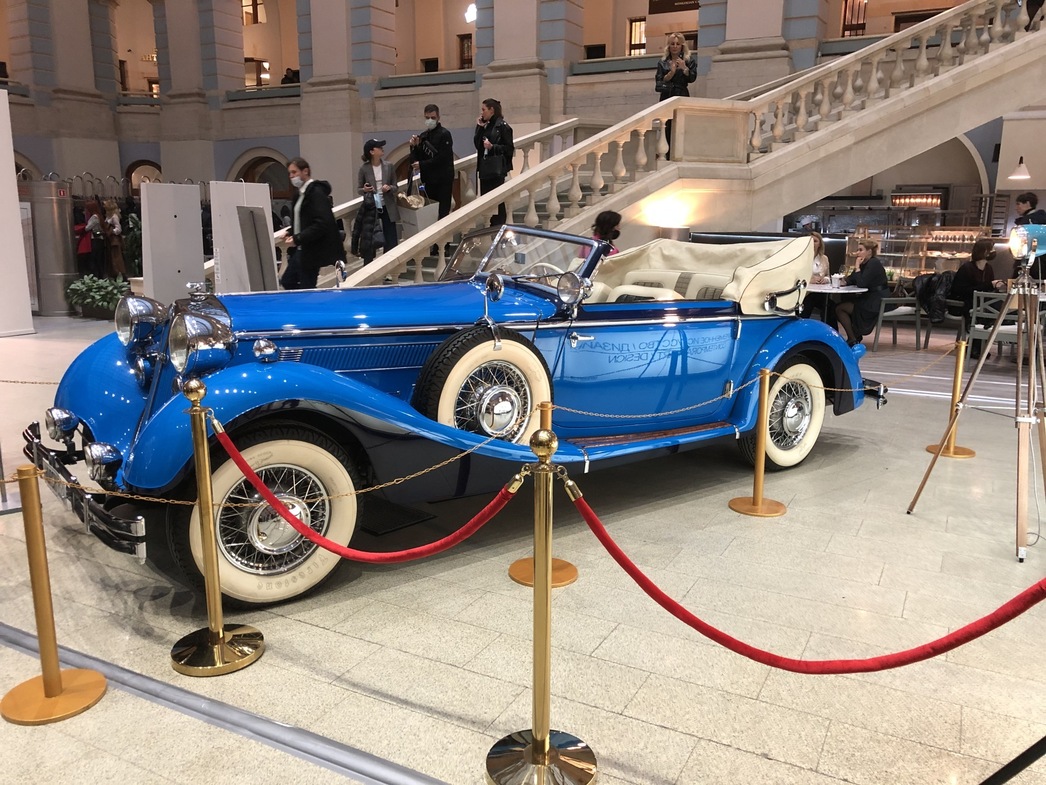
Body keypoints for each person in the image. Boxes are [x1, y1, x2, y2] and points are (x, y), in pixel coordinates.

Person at [280, 157, 343, 289]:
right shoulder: (300, 194)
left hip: (312, 250)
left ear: (305, 171)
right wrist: (291, 232)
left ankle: (309, 307)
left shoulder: (316, 193)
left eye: (294, 172)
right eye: (290, 173)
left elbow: (321, 223)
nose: (291, 176)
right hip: (301, 249)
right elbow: (303, 220)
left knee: (306, 285)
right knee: (288, 281)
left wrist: (297, 238)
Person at [949, 237, 1002, 359]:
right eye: (991, 249)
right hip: (964, 302)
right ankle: (975, 347)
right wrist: (989, 285)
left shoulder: (988, 268)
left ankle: (976, 346)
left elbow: (988, 289)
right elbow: (959, 290)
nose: (993, 251)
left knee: (991, 308)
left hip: (980, 302)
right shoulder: (967, 268)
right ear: (983, 251)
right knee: (982, 312)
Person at [834, 238, 888, 346]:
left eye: (860, 250)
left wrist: (857, 266)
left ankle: (852, 338)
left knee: (840, 308)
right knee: (843, 303)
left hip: (877, 300)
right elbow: (853, 278)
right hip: (868, 297)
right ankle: (854, 336)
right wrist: (844, 281)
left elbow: (861, 283)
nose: (857, 253)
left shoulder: (873, 263)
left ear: (869, 251)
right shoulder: (865, 263)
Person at [355, 139, 400, 265]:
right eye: (378, 147)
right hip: (372, 206)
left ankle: (390, 266)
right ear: (372, 151)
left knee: (390, 237)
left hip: (388, 205)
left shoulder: (389, 166)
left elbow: (396, 186)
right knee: (369, 237)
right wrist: (364, 189)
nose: (382, 149)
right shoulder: (364, 168)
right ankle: (369, 264)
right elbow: (359, 189)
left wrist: (389, 188)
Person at [654, 33, 697, 159]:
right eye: (672, 44)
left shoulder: (689, 61)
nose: (675, 46)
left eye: (678, 44)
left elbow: (692, 78)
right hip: (667, 96)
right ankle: (666, 155)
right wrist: (671, 73)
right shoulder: (662, 63)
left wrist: (684, 69)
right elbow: (658, 84)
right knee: (666, 127)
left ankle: (680, 155)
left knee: (680, 126)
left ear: (682, 46)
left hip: (681, 95)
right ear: (668, 46)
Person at [409, 104, 455, 221]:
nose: (430, 120)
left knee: (443, 214)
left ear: (438, 117)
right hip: (429, 181)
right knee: (431, 215)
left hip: (443, 180)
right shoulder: (424, 136)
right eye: (427, 117)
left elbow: (443, 158)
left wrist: (422, 165)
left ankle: (445, 240)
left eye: (433, 118)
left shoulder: (445, 134)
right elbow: (418, 158)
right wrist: (414, 146)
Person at [473, 98, 514, 226]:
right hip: (485, 168)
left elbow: (509, 149)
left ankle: (499, 228)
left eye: (484, 110)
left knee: (497, 202)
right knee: (486, 202)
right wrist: (479, 128)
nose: (482, 113)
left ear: (492, 110)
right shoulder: (485, 126)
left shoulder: (503, 127)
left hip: (497, 169)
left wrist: (493, 147)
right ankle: (489, 227)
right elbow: (477, 145)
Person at [800, 231, 831, 319]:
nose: (812, 243)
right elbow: (795, 276)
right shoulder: (800, 257)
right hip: (805, 293)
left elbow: (828, 276)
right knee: (808, 303)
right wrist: (809, 280)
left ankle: (831, 331)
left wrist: (825, 279)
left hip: (820, 292)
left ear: (820, 244)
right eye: (810, 240)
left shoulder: (824, 258)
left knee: (831, 308)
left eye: (815, 241)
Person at [103, 198, 126, 277]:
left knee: (116, 258)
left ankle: (120, 273)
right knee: (112, 258)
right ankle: (114, 273)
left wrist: (111, 231)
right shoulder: (108, 216)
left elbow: (118, 229)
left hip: (114, 240)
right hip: (109, 239)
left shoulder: (114, 217)